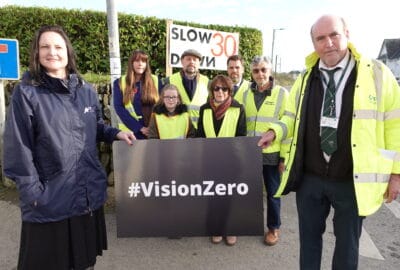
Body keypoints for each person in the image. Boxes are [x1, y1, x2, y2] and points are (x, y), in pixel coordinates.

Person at [258, 15, 400, 270]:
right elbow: (290, 116)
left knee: (348, 247)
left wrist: (396, 173)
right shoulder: (304, 78)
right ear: (314, 43)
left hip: (352, 180)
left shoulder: (377, 74)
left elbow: (395, 124)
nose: (328, 43)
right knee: (309, 243)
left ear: (347, 33)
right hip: (311, 178)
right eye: (320, 38)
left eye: (334, 35)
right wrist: (275, 131)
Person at [2, 25, 136, 270]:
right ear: (36, 52)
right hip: (50, 196)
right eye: (45, 46)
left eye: (58, 46)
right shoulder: (27, 93)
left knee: (84, 262)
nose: (51, 52)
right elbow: (17, 148)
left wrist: (114, 133)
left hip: (85, 194)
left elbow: (92, 126)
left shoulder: (85, 90)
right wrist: (33, 194)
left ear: (68, 52)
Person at [241, 56, 288, 246]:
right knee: (249, 192)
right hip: (250, 155)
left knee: (273, 193)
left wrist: (284, 157)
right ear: (251, 73)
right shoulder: (245, 94)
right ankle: (248, 223)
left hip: (272, 155)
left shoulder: (282, 94)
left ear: (270, 71)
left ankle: (273, 228)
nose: (260, 74)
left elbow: (288, 127)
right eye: (256, 70)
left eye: (263, 70)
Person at [197, 75, 246, 246]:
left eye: (224, 88)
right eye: (216, 88)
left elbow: (241, 137)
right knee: (213, 195)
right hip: (210, 161)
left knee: (229, 196)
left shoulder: (238, 108)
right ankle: (216, 228)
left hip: (231, 162)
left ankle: (231, 228)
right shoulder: (204, 109)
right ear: (212, 91)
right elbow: (200, 136)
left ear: (229, 91)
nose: (220, 92)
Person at [113, 49, 160, 139]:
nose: (140, 64)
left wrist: (153, 128)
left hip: (153, 132)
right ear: (131, 63)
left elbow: (162, 106)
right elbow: (119, 108)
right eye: (137, 61)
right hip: (130, 134)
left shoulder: (156, 80)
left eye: (143, 61)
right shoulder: (119, 82)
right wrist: (139, 128)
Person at [164, 49, 209, 129]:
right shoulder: (169, 81)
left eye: (195, 60)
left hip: (199, 132)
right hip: (177, 130)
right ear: (182, 61)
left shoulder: (207, 82)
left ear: (199, 63)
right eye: (188, 59)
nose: (191, 62)